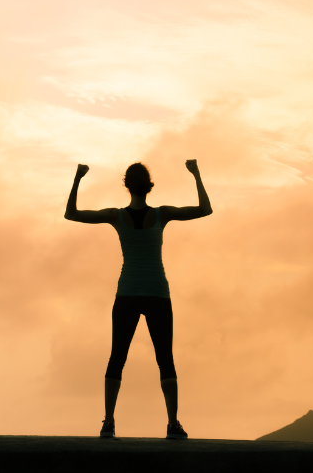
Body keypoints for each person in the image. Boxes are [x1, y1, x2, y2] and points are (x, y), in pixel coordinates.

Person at [64, 159, 212, 440]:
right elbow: (206, 209)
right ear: (149, 186)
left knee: (116, 357)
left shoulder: (115, 216)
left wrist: (78, 177)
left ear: (127, 186)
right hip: (157, 293)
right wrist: (196, 173)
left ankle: (108, 422)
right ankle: (172, 424)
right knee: (165, 359)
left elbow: (71, 214)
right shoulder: (162, 214)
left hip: (127, 293)